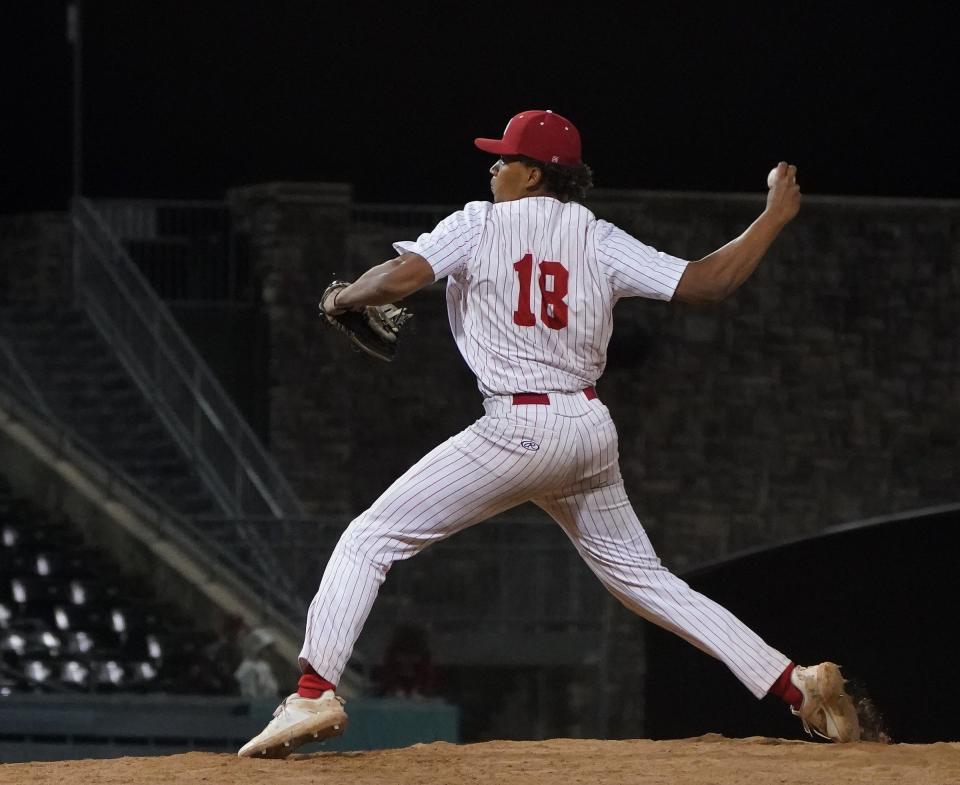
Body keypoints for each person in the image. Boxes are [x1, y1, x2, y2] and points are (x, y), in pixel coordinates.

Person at [238, 109, 859, 758]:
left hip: (518, 427)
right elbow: (710, 282)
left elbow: (398, 278)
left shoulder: (478, 223)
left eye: (504, 158)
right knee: (646, 579)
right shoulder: (596, 235)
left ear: (534, 173)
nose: (493, 166)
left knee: (371, 536)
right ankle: (797, 685)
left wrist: (342, 298)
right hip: (587, 430)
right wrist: (772, 218)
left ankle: (312, 689)